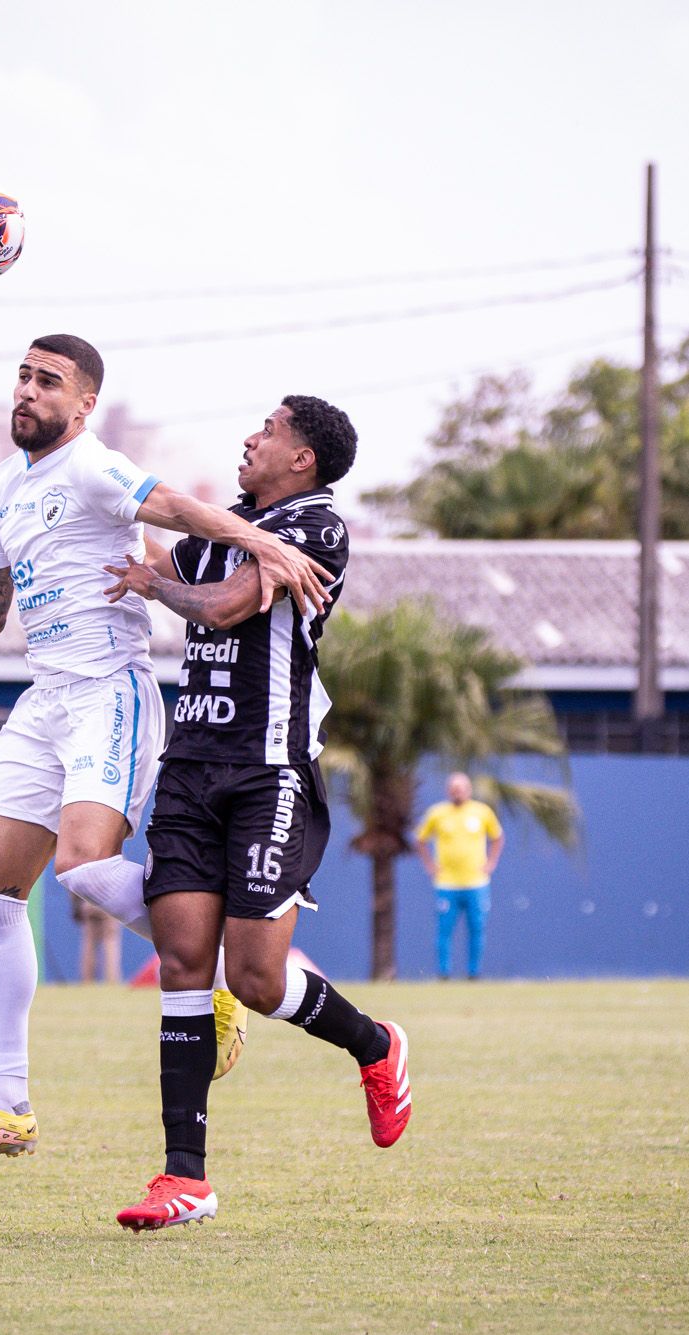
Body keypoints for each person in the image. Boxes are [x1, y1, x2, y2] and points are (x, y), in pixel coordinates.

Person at [0, 333, 335, 1168]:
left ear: (83, 405)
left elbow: (179, 507)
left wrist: (262, 544)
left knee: (82, 864)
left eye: (49, 382)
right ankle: (5, 1107)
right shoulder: (5, 486)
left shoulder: (92, 465)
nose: (28, 392)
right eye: (23, 377)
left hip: (110, 690)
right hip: (45, 697)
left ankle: (210, 972)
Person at [101, 395, 408, 1230]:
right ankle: (183, 1177)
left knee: (258, 979)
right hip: (190, 770)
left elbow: (227, 606)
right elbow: (168, 547)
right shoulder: (231, 524)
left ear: (302, 458)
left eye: (268, 430)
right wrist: (99, 505)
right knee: (183, 962)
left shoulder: (316, 527)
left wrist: (152, 583)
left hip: (268, 773)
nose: (249, 437)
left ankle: (376, 1045)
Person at [416, 773, 505, 981]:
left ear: (469, 789)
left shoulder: (482, 812)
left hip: (476, 883)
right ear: (448, 791)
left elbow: (498, 837)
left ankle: (474, 974)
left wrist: (491, 862)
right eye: (454, 788)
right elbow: (420, 839)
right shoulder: (437, 813)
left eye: (461, 787)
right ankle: (444, 973)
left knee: (477, 929)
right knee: (444, 931)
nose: (458, 791)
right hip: (447, 884)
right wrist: (430, 865)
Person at [71, 893, 122, 985]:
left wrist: (76, 904)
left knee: (89, 941)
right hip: (108, 899)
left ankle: (86, 982)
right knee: (110, 940)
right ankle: (111, 981)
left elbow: (71, 882)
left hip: (87, 900)